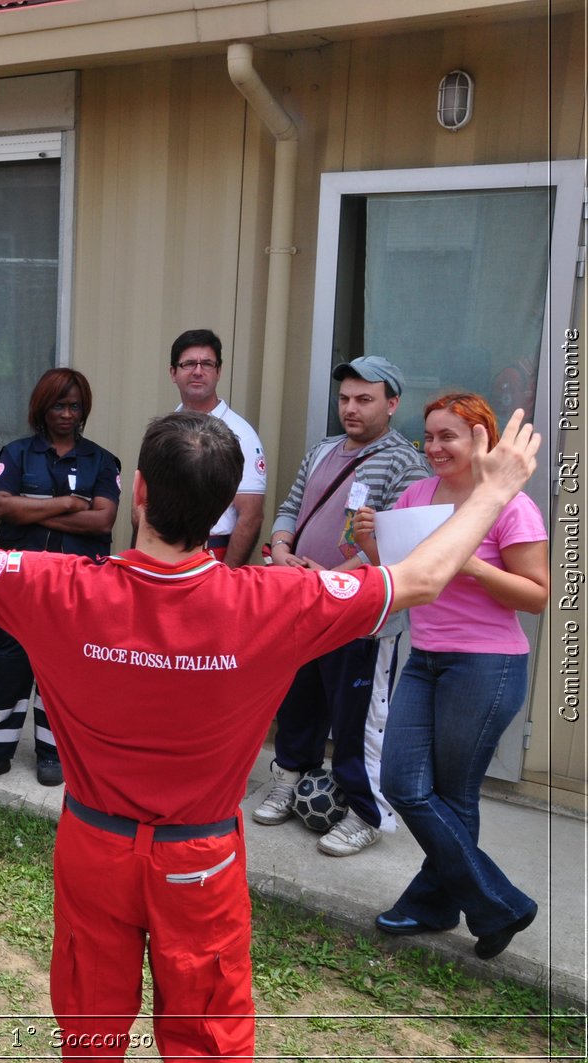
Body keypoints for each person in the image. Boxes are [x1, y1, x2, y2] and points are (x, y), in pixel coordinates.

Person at [0, 365, 539, 1060]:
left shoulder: (57, 587)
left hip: (94, 846)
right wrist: (496, 488)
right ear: (222, 507)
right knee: (208, 1041)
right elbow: (421, 576)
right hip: (202, 857)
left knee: (90, 1034)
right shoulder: (275, 601)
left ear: (141, 493)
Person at [354, 392, 546, 959]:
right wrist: (370, 543)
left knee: (452, 794)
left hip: (487, 664)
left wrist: (470, 560)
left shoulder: (511, 506)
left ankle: (435, 903)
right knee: (403, 785)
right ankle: (498, 904)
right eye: (429, 436)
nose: (435, 447)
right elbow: (404, 575)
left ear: (481, 440)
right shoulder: (418, 496)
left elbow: (537, 597)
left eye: (449, 437)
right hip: (427, 655)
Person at [256, 356, 429, 856]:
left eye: (364, 399)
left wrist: (332, 578)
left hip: (364, 619)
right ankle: (290, 778)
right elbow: (290, 506)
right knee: (299, 701)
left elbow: (393, 542)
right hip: (306, 605)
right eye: (344, 399)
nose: (350, 409)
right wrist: (283, 549)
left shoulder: (405, 463)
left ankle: (365, 813)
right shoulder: (323, 450)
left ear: (392, 404)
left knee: (357, 719)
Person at [0, 367, 119, 789]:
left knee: (62, 668)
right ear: (42, 408)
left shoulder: (101, 460)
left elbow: (103, 519)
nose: (67, 413)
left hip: (76, 584)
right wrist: (67, 503)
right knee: (9, 663)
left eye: (75, 406)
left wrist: (38, 506)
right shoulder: (17, 454)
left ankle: (52, 750)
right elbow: (4, 509)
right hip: (20, 581)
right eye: (59, 405)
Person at [167, 328, 266, 567]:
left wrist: (227, 576)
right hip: (163, 551)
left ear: (219, 371)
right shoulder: (165, 430)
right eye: (189, 363)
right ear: (173, 372)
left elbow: (250, 517)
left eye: (207, 364)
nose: (198, 371)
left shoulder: (240, 434)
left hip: (213, 555)